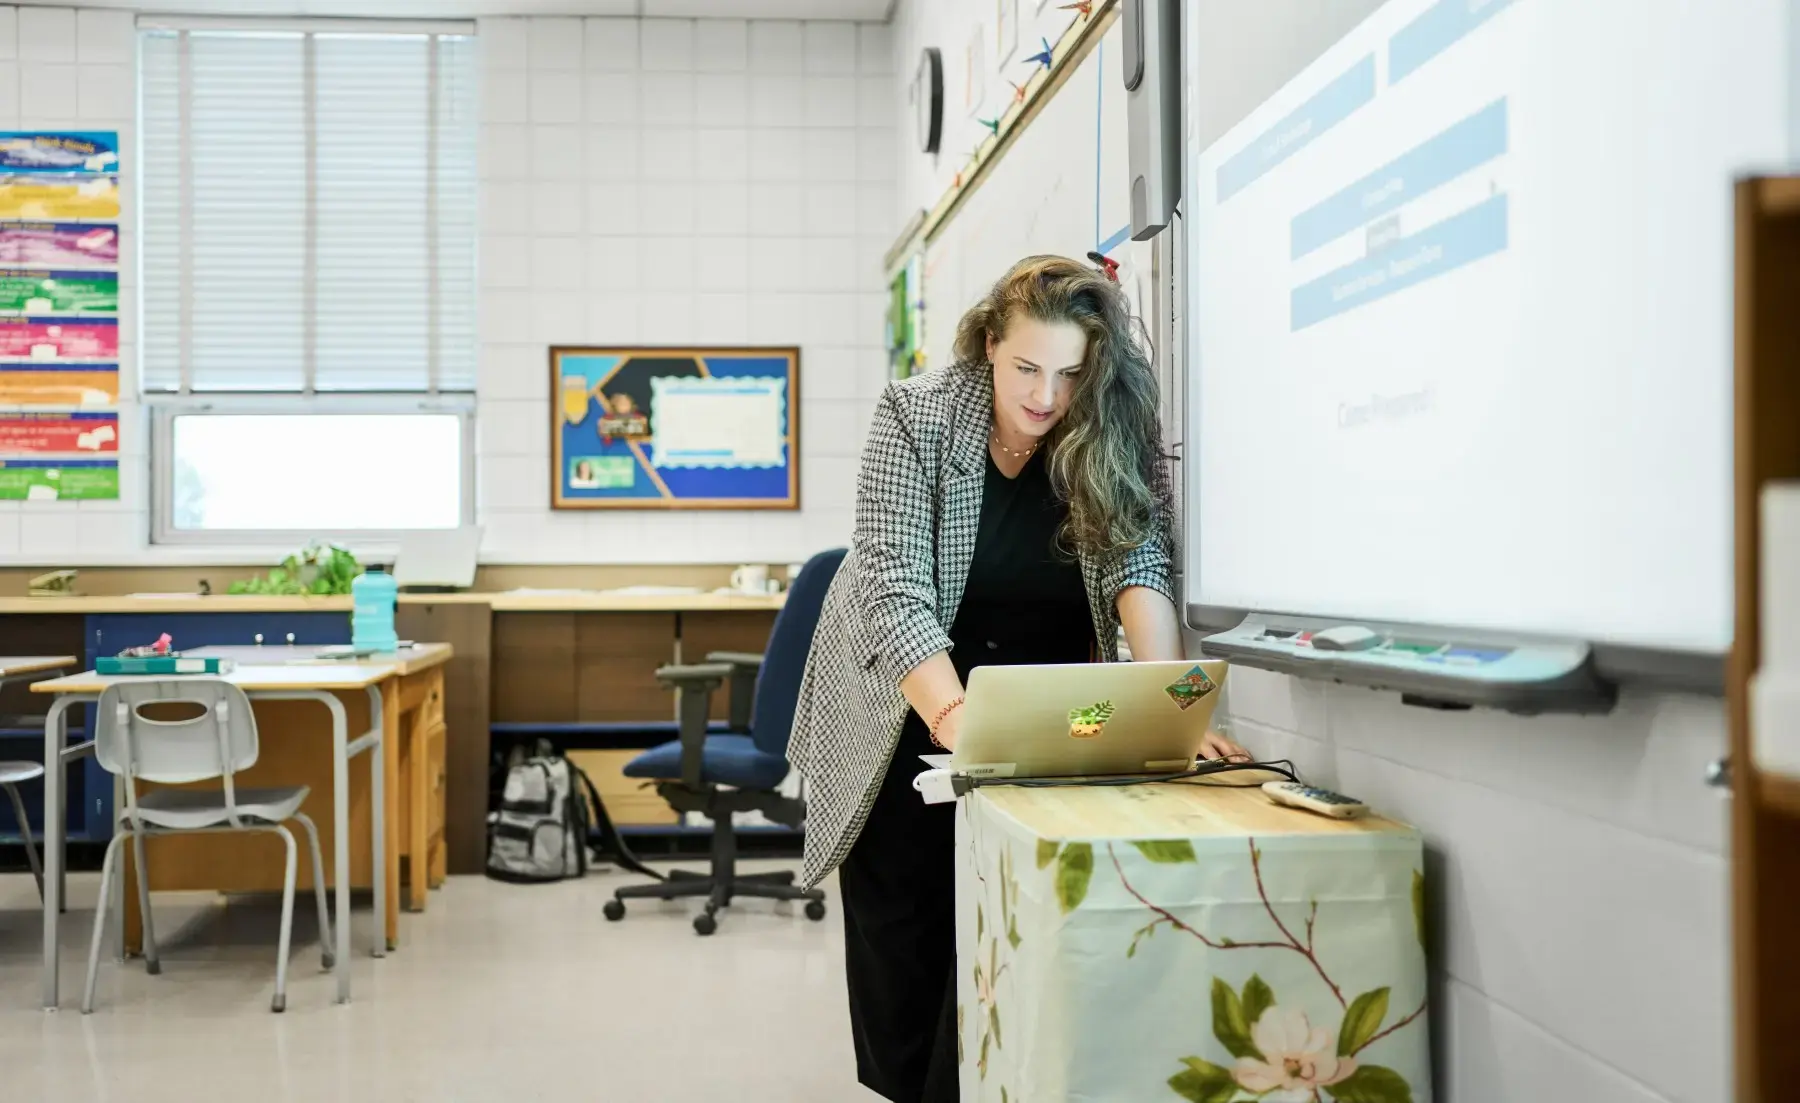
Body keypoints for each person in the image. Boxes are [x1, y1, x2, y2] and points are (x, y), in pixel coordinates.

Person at [788, 255, 1248, 1102]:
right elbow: (893, 588)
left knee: (1010, 958)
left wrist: (1180, 704)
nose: (1045, 396)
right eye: (1028, 368)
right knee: (912, 965)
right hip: (907, 707)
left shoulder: (1108, 419)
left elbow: (1138, 561)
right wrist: (959, 716)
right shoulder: (917, 415)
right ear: (991, 344)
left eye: (1069, 373)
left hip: (1038, 723)